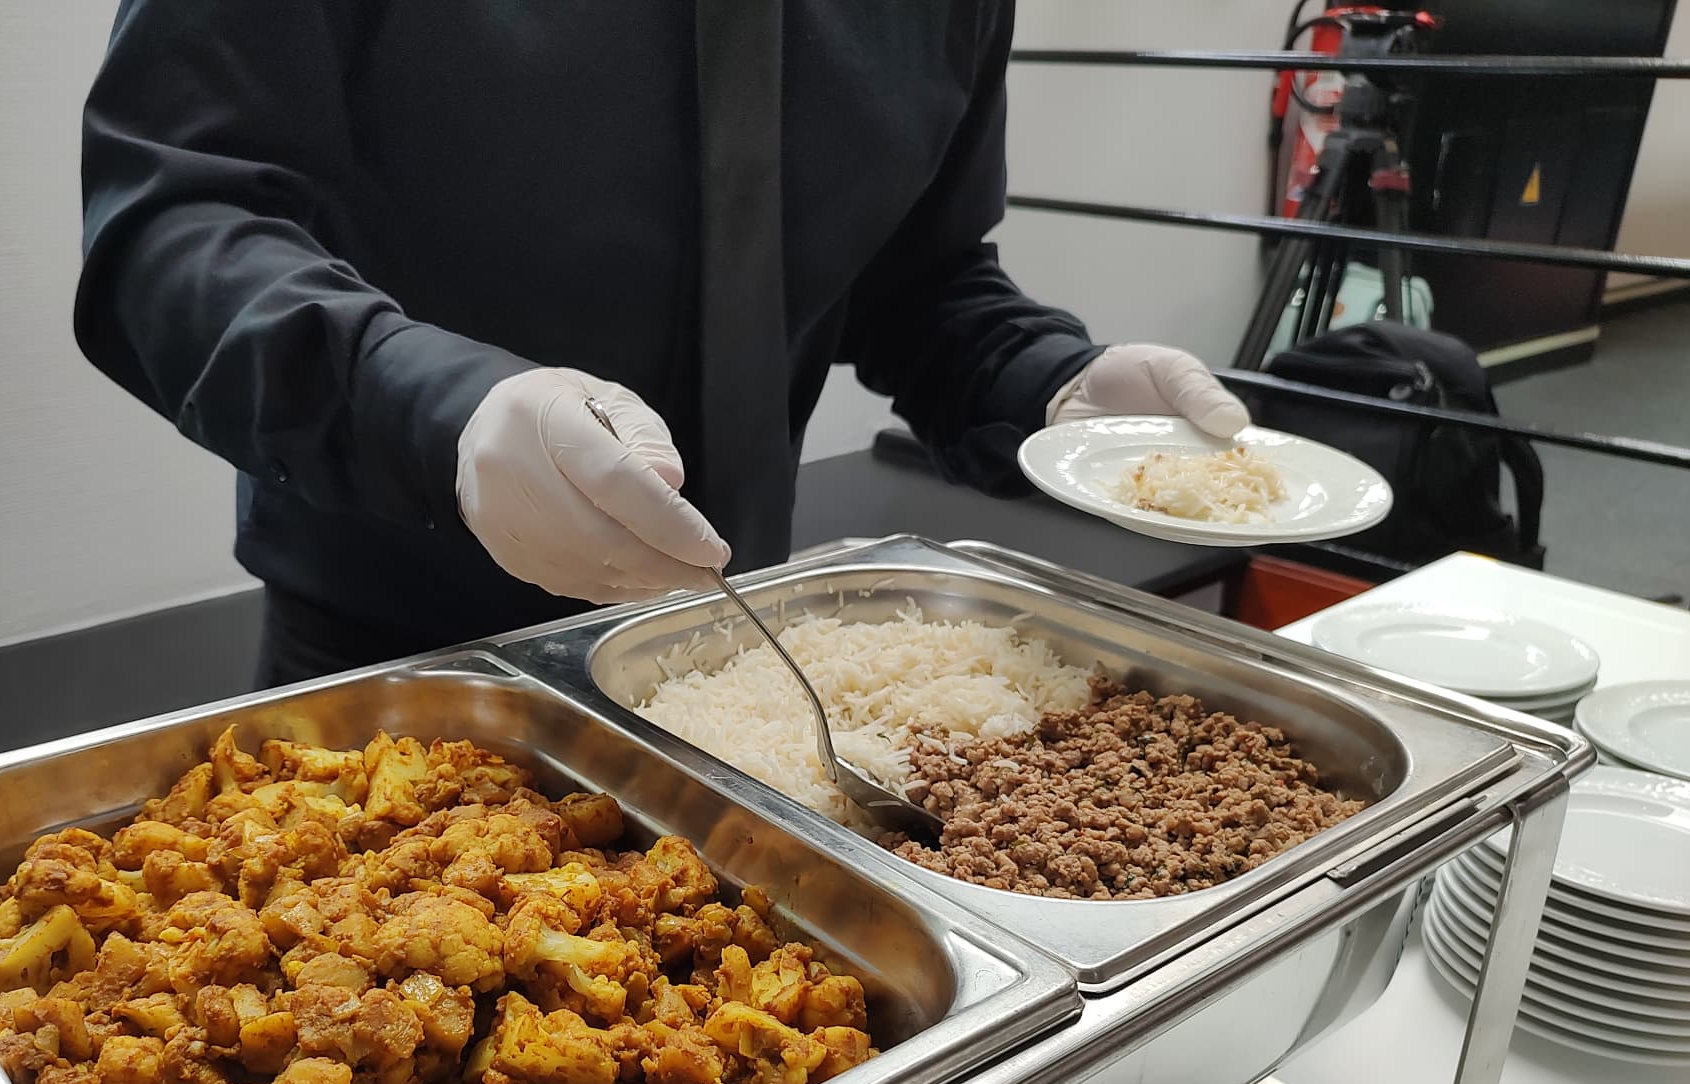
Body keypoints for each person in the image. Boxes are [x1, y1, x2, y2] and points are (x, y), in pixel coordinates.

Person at [74, 2, 1250, 688]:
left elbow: (917, 277)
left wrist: (1053, 386)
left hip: (739, 655)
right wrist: (441, 412)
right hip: (395, 663)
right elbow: (175, 223)